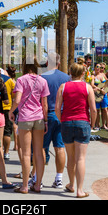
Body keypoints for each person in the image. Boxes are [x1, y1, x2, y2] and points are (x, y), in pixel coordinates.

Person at [55, 61, 97, 198]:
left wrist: (62, 119)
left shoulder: (63, 87)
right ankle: (80, 190)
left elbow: (57, 108)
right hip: (83, 122)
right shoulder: (87, 87)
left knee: (71, 157)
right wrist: (92, 124)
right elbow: (94, 109)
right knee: (81, 158)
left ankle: (71, 184)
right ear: (83, 73)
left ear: (70, 73)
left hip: (67, 122)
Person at [8, 57, 50, 194]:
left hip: (25, 118)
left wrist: (11, 110)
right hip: (39, 118)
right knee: (39, 152)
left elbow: (18, 99)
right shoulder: (43, 80)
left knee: (26, 153)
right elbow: (45, 104)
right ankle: (37, 184)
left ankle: (24, 186)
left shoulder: (21, 80)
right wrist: (45, 121)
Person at [41, 53, 70, 189]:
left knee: (41, 147)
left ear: (47, 63)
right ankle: (59, 179)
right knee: (59, 147)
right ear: (59, 63)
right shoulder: (66, 78)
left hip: (46, 115)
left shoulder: (42, 78)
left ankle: (37, 178)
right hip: (61, 115)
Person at [1, 66, 16, 159]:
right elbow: (14, 95)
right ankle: (6, 152)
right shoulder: (10, 81)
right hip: (7, 108)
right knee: (7, 132)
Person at [91, 63, 108, 131]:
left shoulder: (103, 75)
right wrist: (99, 89)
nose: (98, 68)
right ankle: (96, 125)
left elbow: (107, 83)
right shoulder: (93, 76)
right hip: (97, 95)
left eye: (100, 67)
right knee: (97, 110)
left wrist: (106, 89)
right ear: (94, 67)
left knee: (105, 109)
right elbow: (92, 84)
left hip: (104, 94)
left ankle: (107, 125)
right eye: (97, 66)